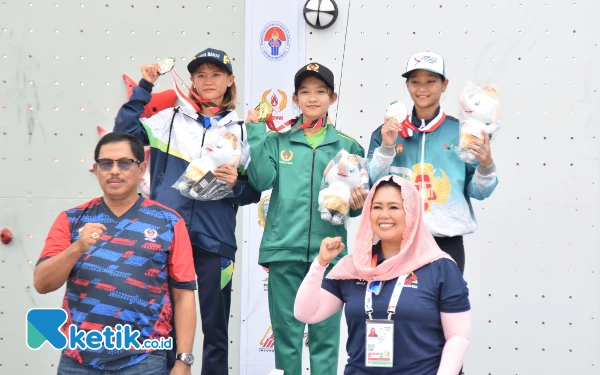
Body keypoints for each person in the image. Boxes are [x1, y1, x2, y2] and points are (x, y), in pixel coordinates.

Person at [114, 48, 261, 374]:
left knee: (216, 331)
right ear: (192, 80)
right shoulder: (169, 120)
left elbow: (253, 191)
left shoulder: (242, 131)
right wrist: (145, 86)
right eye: (201, 75)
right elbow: (123, 134)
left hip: (216, 241)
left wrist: (236, 184)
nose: (208, 81)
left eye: (216, 74)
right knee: (164, 327)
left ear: (230, 80)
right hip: (168, 238)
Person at [33, 132, 197, 375]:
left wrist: (184, 361)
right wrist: (77, 247)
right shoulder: (71, 219)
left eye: (124, 163)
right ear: (96, 169)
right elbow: (42, 283)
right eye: (106, 164)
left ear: (141, 169)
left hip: (145, 360)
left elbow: (183, 295)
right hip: (78, 360)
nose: (114, 171)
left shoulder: (169, 222)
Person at [245, 62, 367, 375]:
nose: (312, 98)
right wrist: (257, 132)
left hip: (330, 255)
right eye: (305, 92)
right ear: (296, 98)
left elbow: (355, 207)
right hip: (284, 251)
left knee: (325, 337)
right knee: (286, 336)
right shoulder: (277, 140)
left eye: (320, 92)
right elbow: (259, 181)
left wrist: (357, 204)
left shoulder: (348, 146)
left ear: (333, 97)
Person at [294, 175, 471, 375]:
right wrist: (320, 263)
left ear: (411, 212)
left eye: (394, 207)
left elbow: (458, 336)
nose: (384, 215)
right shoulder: (354, 267)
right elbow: (306, 313)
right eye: (377, 207)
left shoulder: (440, 267)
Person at [368, 51, 499, 274]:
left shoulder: (462, 131)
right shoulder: (387, 131)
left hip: (445, 242)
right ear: (407, 85)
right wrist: (387, 147)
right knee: (391, 307)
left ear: (444, 84)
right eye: (415, 82)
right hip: (394, 239)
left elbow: (478, 191)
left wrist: (486, 165)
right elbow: (373, 183)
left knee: (444, 307)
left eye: (431, 81)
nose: (422, 88)